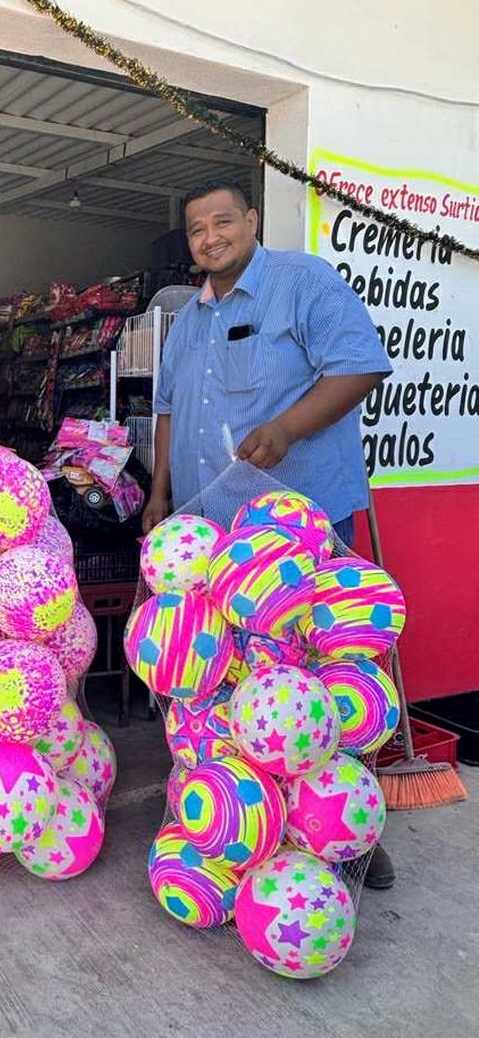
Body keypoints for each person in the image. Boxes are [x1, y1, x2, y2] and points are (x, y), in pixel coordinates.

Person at [142, 182, 396, 888]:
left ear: (252, 221)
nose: (211, 236)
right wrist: (161, 494)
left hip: (297, 532)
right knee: (224, 685)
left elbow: (359, 364)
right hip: (215, 538)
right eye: (197, 229)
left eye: (224, 221)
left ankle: (345, 833)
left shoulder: (301, 282)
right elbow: (168, 409)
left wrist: (288, 427)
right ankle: (235, 822)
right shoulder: (190, 318)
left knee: (318, 678)